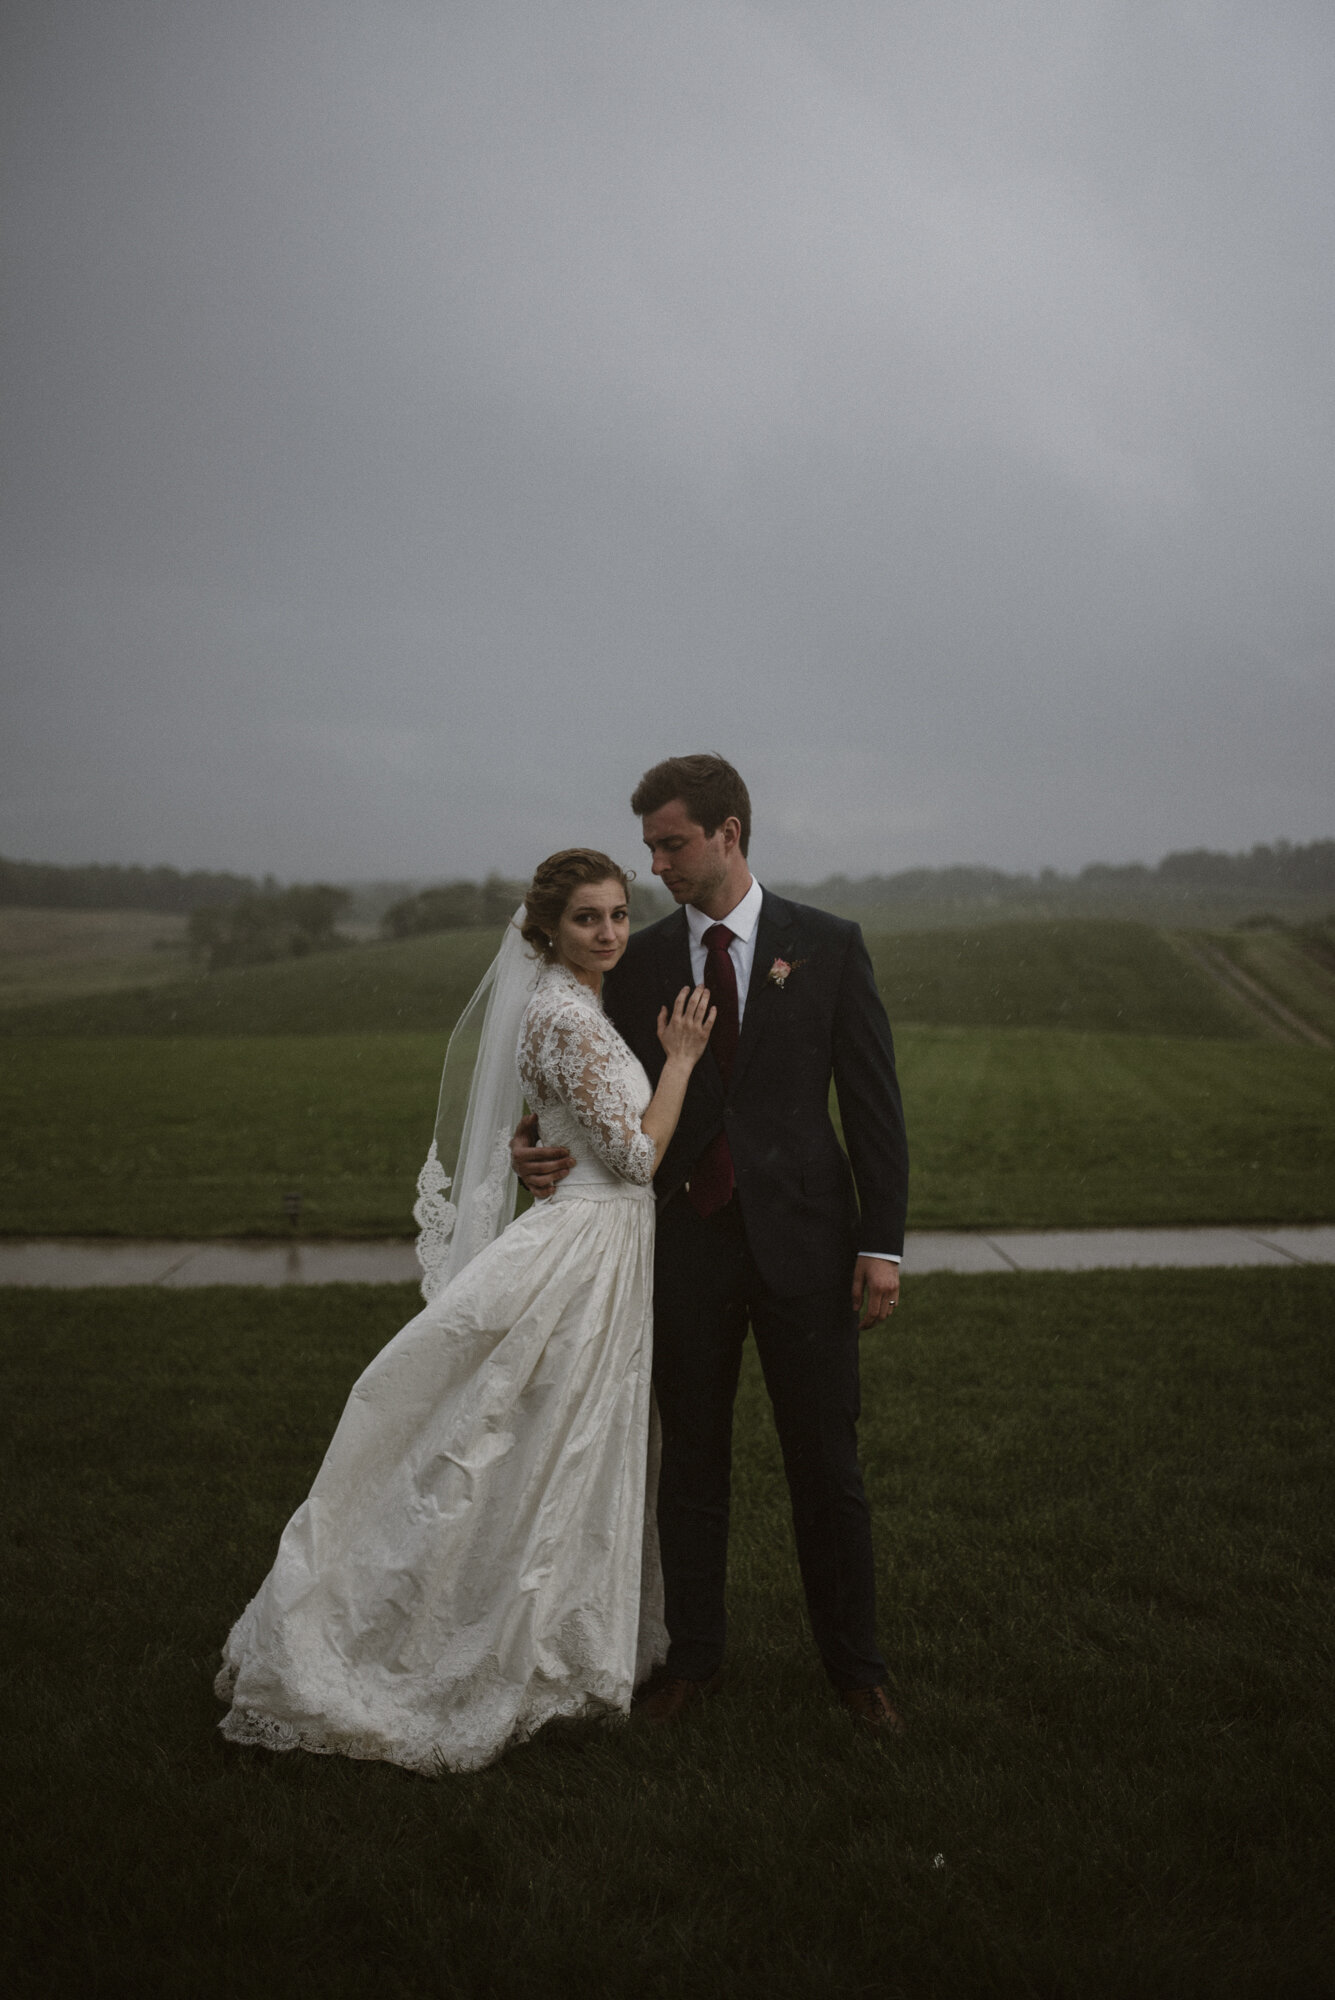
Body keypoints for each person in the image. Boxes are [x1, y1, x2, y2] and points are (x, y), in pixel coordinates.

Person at [215, 849, 715, 1775]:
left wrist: (537, 1139)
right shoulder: (565, 1016)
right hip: (587, 1247)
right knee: (535, 1444)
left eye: (617, 914)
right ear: (546, 931)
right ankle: (472, 1644)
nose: (609, 933)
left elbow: (557, 1124)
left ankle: (556, 1638)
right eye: (587, 920)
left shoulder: (572, 1007)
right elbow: (638, 1160)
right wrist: (680, 1060)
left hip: (602, 1245)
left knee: (557, 1445)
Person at [513, 756, 910, 1733]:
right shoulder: (634, 957)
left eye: (673, 842)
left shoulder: (828, 945)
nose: (657, 864)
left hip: (808, 1248)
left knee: (827, 1461)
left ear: (731, 831)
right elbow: (575, 1078)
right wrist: (531, 1147)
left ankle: (857, 1669)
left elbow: (873, 1109)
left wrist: (882, 1243)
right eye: (649, 845)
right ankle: (692, 1659)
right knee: (689, 1459)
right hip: (681, 1243)